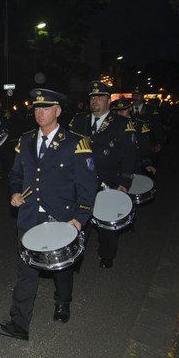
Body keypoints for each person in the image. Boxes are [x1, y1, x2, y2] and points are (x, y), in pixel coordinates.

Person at [0, 89, 98, 341]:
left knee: (62, 267)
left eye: (46, 108)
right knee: (26, 268)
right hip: (30, 216)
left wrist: (80, 218)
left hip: (61, 216)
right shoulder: (26, 139)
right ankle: (19, 324)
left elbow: (87, 185)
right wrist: (14, 192)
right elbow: (16, 173)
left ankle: (62, 301)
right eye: (37, 109)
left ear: (58, 111)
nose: (40, 113)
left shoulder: (75, 142)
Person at [69, 81, 136, 269]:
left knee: (107, 226)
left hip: (108, 181)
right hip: (81, 182)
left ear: (108, 100)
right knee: (79, 221)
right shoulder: (78, 121)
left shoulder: (121, 123)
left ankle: (106, 256)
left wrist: (124, 183)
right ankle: (75, 256)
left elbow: (129, 156)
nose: (95, 101)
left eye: (99, 97)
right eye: (92, 97)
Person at [111, 98, 156, 175]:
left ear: (130, 108)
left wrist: (147, 163)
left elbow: (144, 145)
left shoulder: (139, 124)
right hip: (115, 164)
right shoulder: (111, 125)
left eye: (124, 109)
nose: (121, 112)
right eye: (118, 110)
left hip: (134, 164)